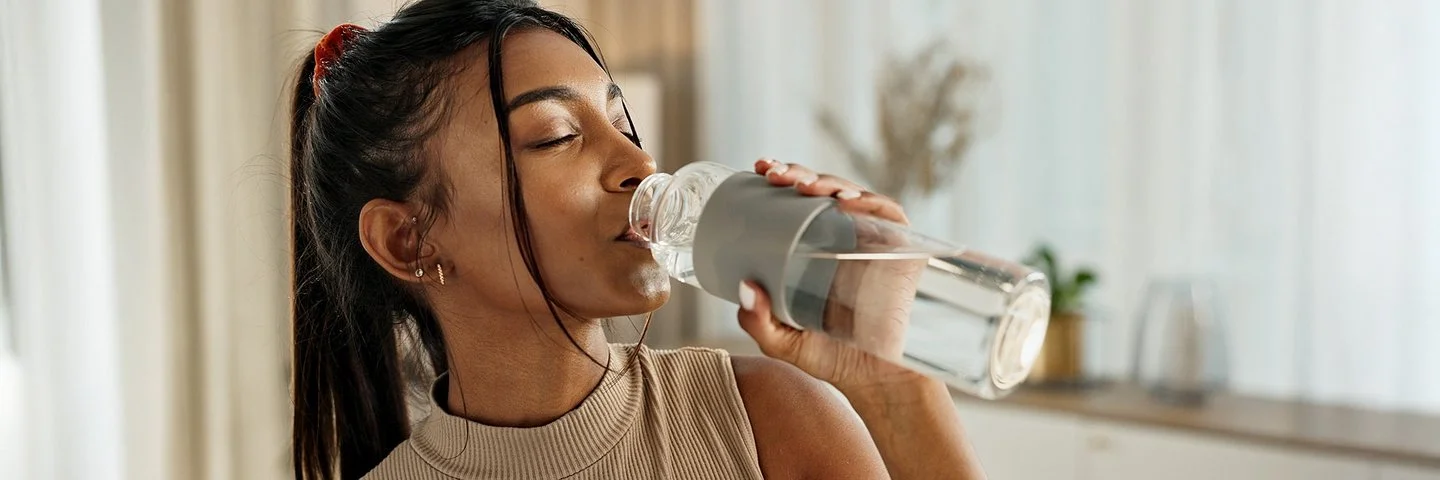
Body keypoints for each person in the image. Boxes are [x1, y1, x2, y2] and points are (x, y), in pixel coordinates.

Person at [289, 0, 986, 478]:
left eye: (622, 124)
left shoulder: (767, 418)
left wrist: (895, 387)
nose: (641, 165)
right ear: (409, 240)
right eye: (557, 136)